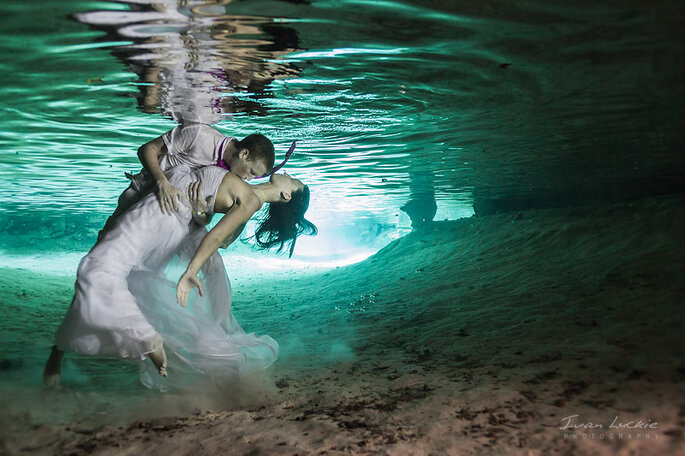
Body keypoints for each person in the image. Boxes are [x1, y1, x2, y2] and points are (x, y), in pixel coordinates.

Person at [43, 164, 316, 391]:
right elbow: (211, 221)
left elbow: (219, 239)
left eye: (292, 181)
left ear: (286, 195)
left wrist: (191, 271)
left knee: (104, 272)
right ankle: (59, 354)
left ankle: (148, 341)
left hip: (169, 223)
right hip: (173, 218)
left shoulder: (252, 200)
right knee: (116, 278)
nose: (289, 175)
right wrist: (200, 212)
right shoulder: (247, 185)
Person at [97, 122, 276, 241]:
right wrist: (162, 183)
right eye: (252, 172)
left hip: (163, 212)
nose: (249, 179)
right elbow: (146, 149)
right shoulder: (200, 135)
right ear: (244, 154)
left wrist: (199, 210)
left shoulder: (227, 174)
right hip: (140, 193)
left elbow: (204, 221)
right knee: (108, 243)